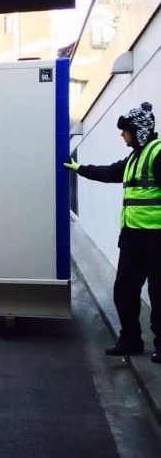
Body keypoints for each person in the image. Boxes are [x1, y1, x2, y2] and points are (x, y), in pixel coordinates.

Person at [65, 101, 161, 361]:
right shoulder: (134, 157)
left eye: (125, 130)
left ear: (139, 130)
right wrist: (80, 169)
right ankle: (131, 340)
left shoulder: (157, 153)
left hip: (156, 240)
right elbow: (109, 172)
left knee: (159, 293)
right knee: (124, 290)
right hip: (132, 238)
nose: (122, 135)